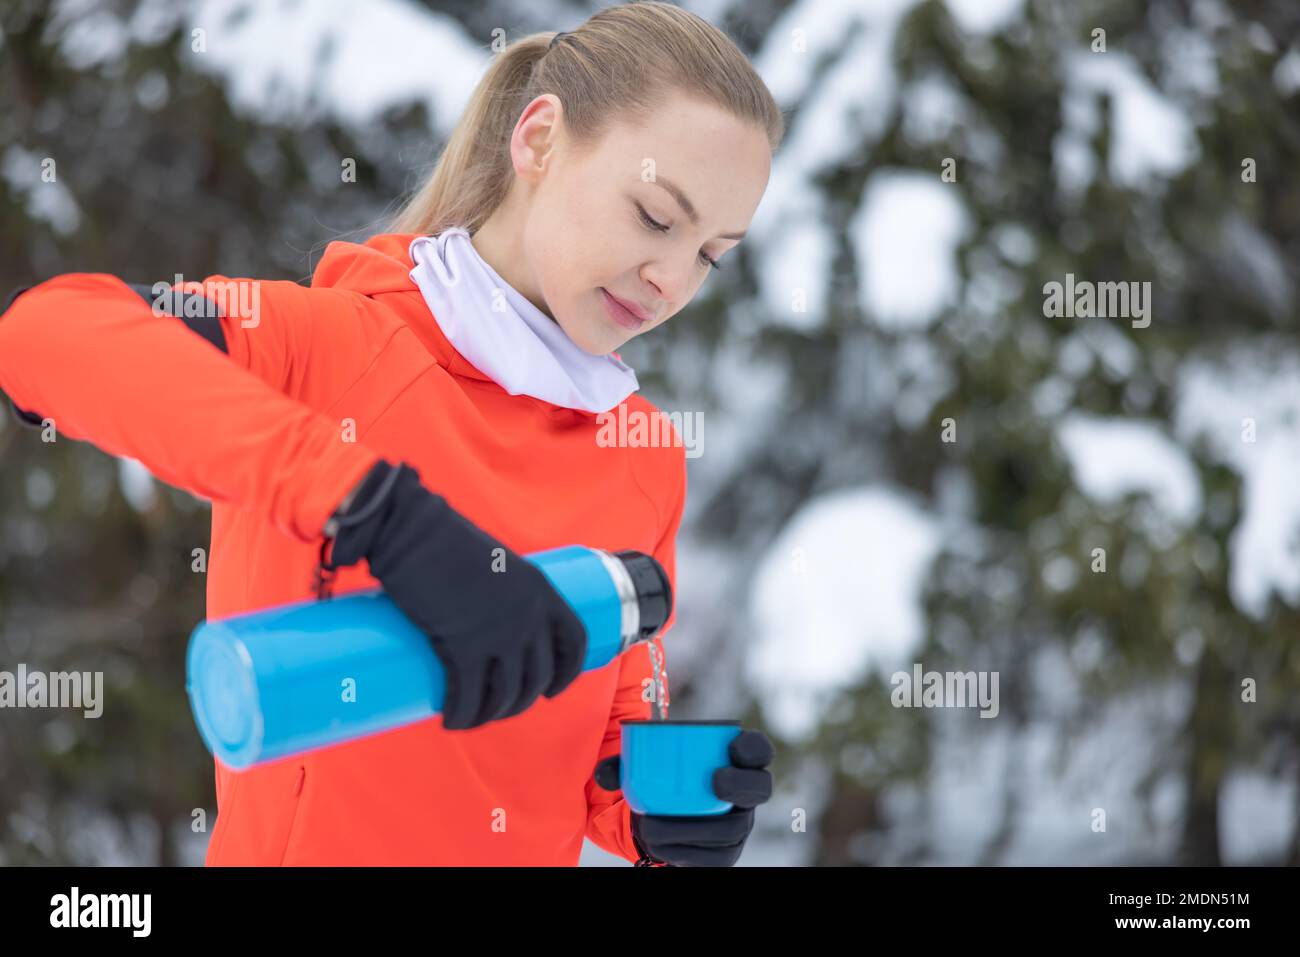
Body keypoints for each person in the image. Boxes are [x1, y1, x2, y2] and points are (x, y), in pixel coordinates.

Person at [0, 1, 782, 866]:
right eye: (656, 217)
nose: (671, 279)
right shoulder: (328, 346)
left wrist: (652, 811)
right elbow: (43, 335)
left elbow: (601, 724)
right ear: (541, 141)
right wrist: (379, 512)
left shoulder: (644, 458)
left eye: (712, 253)